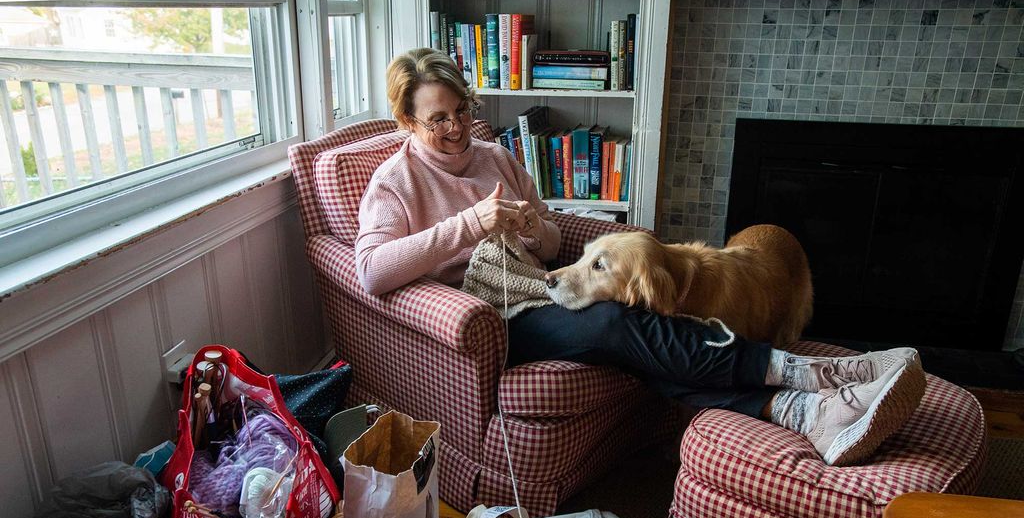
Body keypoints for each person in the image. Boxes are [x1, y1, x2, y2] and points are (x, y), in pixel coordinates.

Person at [355, 48, 925, 467]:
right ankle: (809, 378)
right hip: (486, 318)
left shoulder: (496, 159)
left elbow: (552, 245)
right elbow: (372, 270)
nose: (456, 128)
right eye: (438, 119)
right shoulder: (395, 181)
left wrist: (535, 229)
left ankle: (802, 411)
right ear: (407, 121)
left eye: (461, 110)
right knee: (617, 321)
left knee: (642, 335)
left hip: (538, 286)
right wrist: (465, 227)